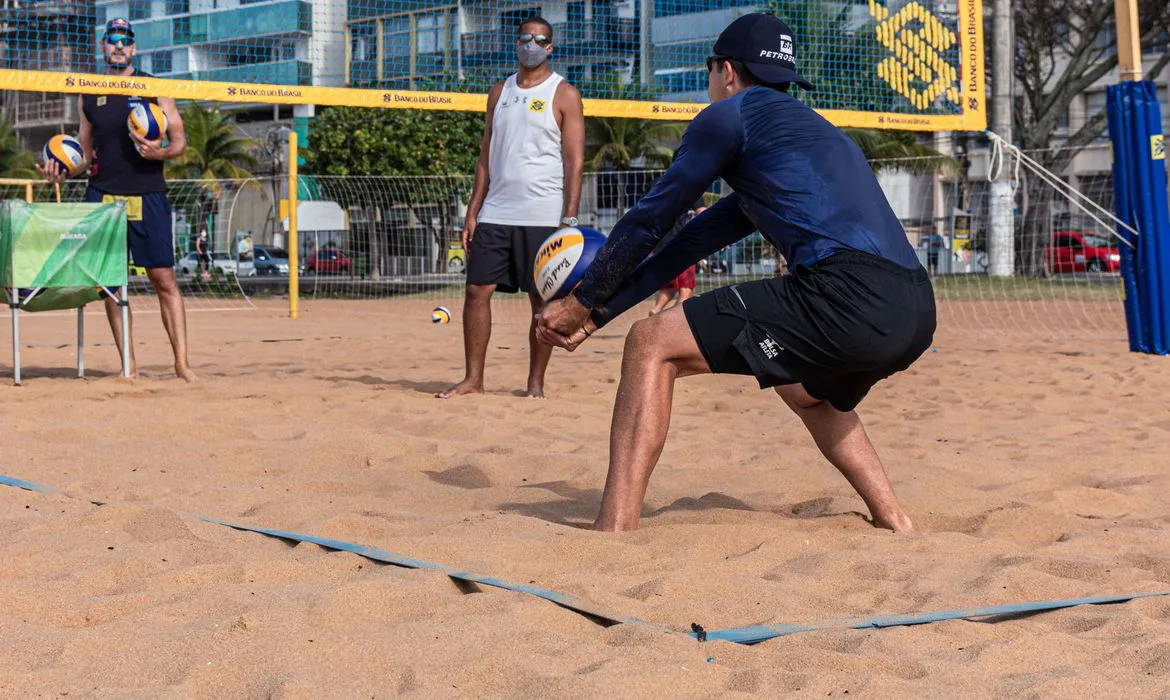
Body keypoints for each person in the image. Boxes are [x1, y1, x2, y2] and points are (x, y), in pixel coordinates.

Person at [536, 13, 936, 533]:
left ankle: (613, 528)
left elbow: (649, 222)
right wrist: (597, 312)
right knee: (805, 392)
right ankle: (895, 520)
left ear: (725, 71)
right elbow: (688, 244)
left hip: (849, 296)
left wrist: (579, 300)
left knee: (650, 344)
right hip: (916, 310)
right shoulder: (805, 137)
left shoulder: (727, 118)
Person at [37, 17, 195, 381]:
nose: (119, 46)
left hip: (148, 193)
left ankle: (182, 365)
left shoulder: (153, 86)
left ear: (134, 48)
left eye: (125, 41)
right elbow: (84, 155)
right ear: (104, 47)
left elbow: (180, 142)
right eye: (112, 40)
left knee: (164, 280)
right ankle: (130, 366)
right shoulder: (90, 91)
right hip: (103, 195)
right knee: (111, 284)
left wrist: (161, 153)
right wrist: (59, 172)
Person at [437, 16, 585, 399]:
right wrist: (473, 211)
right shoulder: (497, 92)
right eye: (525, 38)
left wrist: (569, 219)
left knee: (541, 301)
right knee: (475, 293)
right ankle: (474, 379)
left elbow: (575, 161)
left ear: (550, 47)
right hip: (496, 212)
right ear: (516, 43)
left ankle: (535, 383)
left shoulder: (564, 93)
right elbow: (485, 157)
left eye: (539, 40)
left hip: (543, 213)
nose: (531, 44)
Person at [648, 197, 707, 316]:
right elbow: (703, 213)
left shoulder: (656, 186)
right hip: (681, 246)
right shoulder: (694, 185)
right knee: (686, 288)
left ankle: (656, 311)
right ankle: (672, 320)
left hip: (659, 246)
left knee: (669, 286)